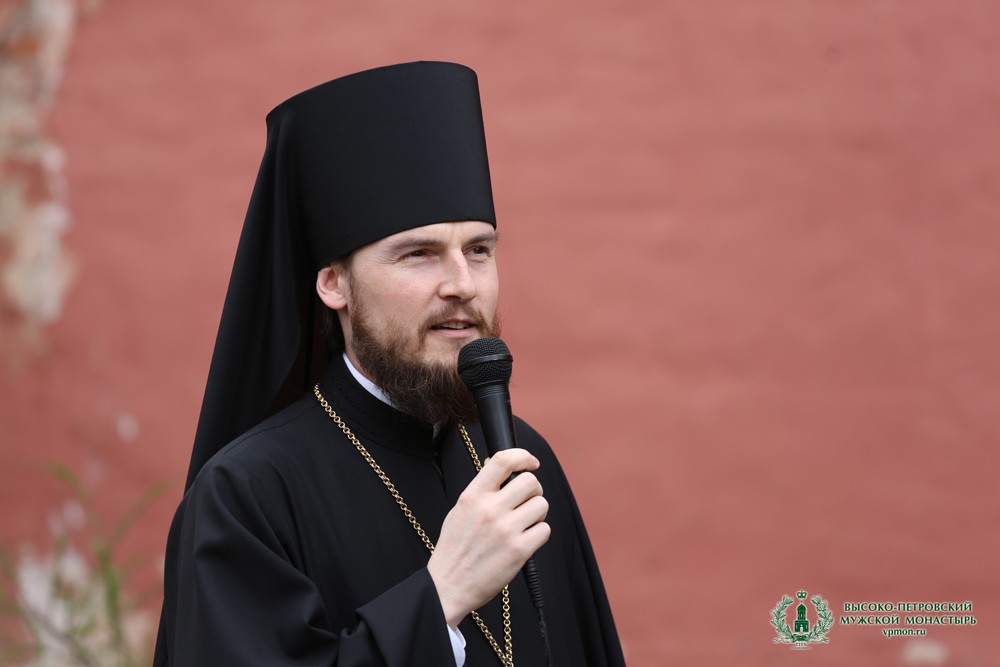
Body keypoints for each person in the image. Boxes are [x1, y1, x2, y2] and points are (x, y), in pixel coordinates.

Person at [154, 61, 625, 666]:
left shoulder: (522, 461)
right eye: (419, 254)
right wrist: (440, 597)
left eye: (479, 250)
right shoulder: (246, 496)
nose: (462, 284)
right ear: (334, 284)